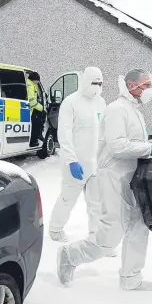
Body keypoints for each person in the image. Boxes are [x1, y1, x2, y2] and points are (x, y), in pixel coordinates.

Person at [56, 69, 152, 291]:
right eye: (145, 86)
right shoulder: (116, 110)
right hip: (113, 178)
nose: (148, 90)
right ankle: (70, 255)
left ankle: (131, 277)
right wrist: (149, 149)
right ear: (131, 86)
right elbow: (117, 145)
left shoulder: (133, 110)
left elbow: (132, 142)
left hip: (131, 177)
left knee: (138, 225)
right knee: (110, 234)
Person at [49, 67, 109, 245]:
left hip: (95, 163)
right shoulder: (71, 102)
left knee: (96, 204)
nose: (97, 86)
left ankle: (96, 237)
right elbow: (64, 134)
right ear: (85, 81)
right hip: (75, 163)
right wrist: (71, 160)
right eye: (94, 83)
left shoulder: (101, 103)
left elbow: (104, 131)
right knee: (67, 199)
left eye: (100, 83)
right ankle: (55, 229)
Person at [27, 71, 45, 147]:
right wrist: (41, 108)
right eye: (37, 80)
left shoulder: (32, 84)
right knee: (37, 122)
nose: (38, 82)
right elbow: (32, 101)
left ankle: (36, 137)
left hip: (30, 109)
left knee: (36, 122)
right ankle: (35, 139)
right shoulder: (30, 85)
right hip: (29, 109)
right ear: (34, 79)